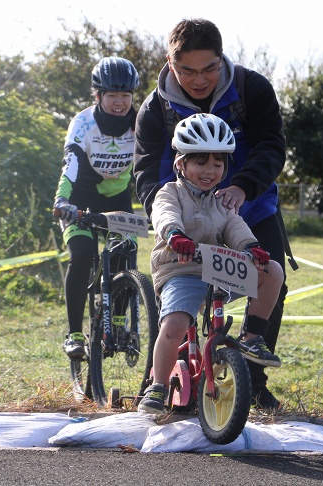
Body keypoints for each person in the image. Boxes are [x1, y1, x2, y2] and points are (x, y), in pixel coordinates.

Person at [134, 18, 291, 410]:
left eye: (209, 69)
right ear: (170, 63)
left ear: (221, 60)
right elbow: (146, 171)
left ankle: (252, 379)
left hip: (248, 207)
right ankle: (158, 380)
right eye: (187, 70)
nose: (199, 79)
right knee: (176, 300)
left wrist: (242, 187)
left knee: (273, 279)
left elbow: (272, 145)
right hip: (183, 218)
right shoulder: (155, 110)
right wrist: (170, 223)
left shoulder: (251, 89)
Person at [53, 56, 140, 358]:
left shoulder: (139, 123)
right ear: (98, 96)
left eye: (125, 96)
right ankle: (75, 333)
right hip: (79, 197)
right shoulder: (83, 123)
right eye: (112, 95)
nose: (119, 102)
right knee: (82, 254)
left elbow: (150, 166)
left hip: (117, 199)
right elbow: (71, 163)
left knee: (125, 254)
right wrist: (62, 199)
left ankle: (117, 321)